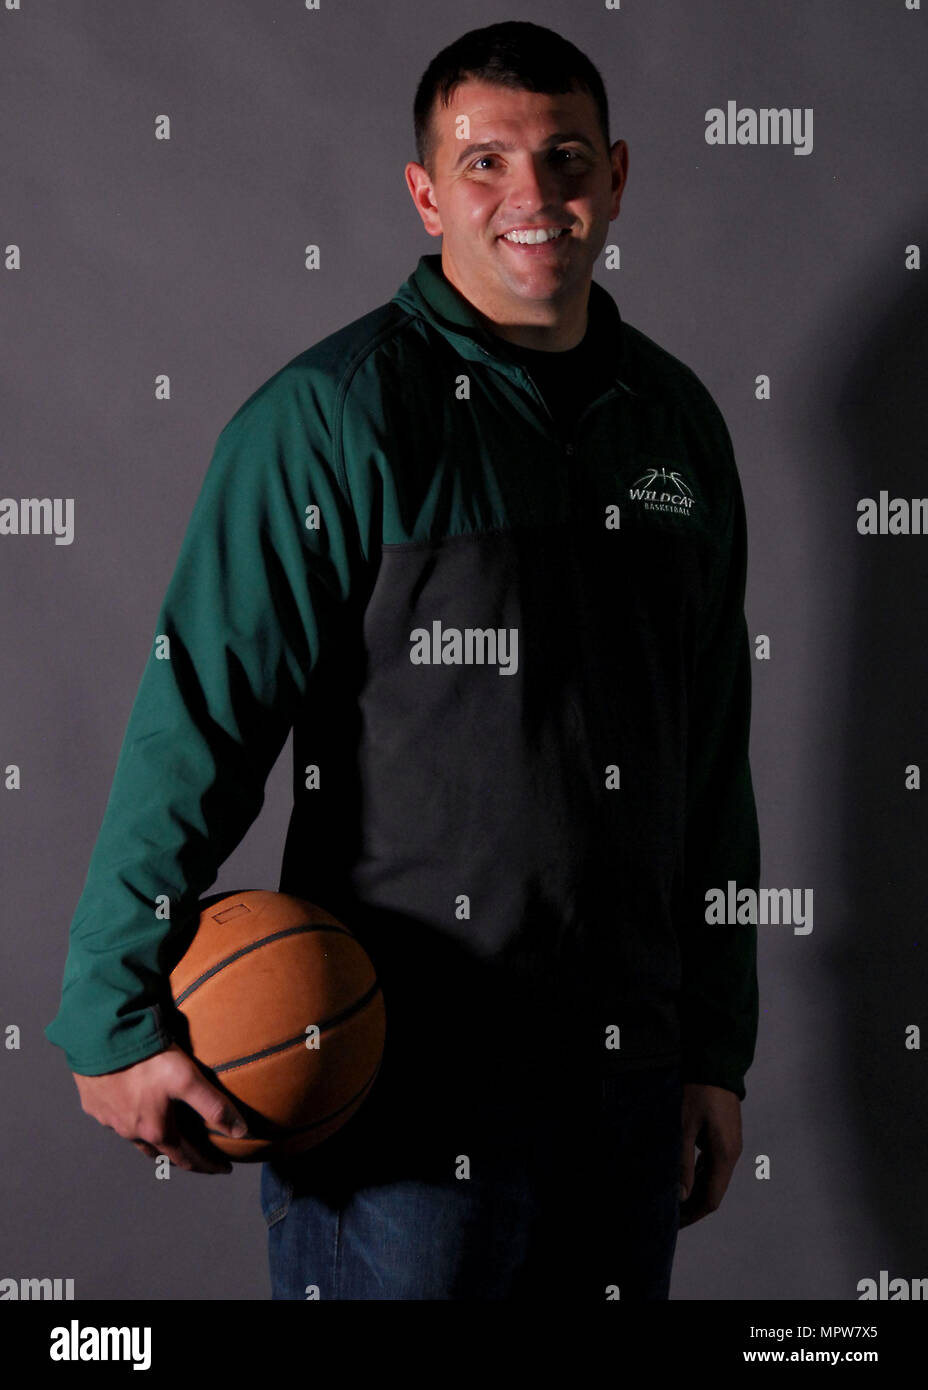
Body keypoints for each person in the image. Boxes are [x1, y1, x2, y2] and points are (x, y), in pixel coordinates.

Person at [46, 20, 760, 1300]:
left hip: (626, 1085)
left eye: (566, 158)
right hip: (403, 1097)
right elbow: (197, 720)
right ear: (426, 192)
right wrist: (111, 1010)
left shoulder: (679, 425)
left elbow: (708, 759)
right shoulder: (329, 420)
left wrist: (713, 1043)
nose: (532, 196)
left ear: (619, 176)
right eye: (485, 162)